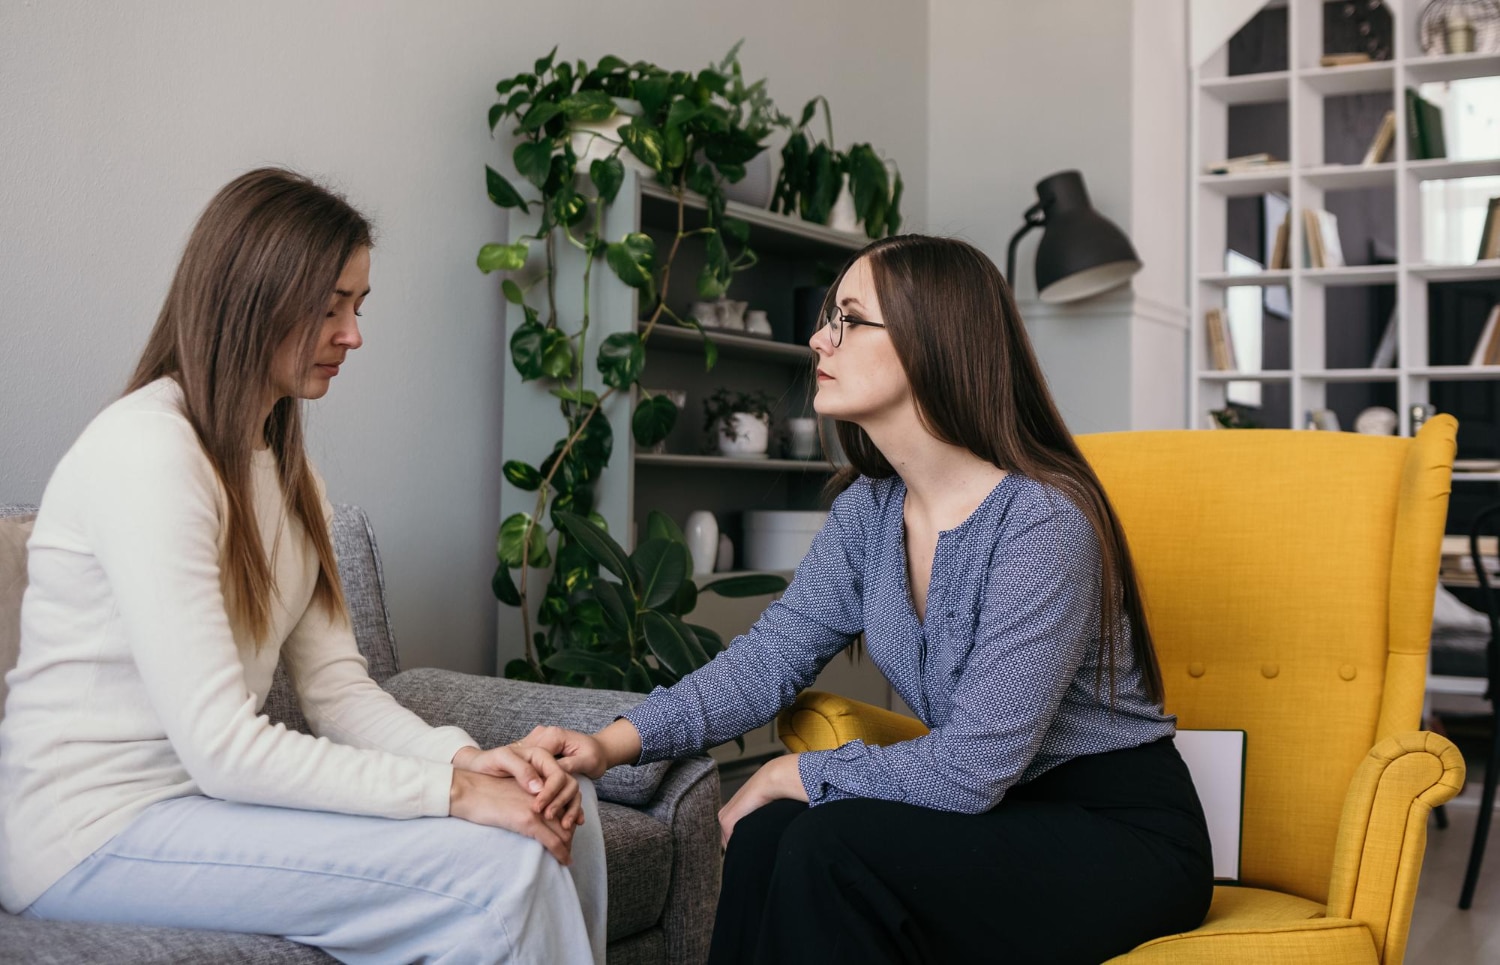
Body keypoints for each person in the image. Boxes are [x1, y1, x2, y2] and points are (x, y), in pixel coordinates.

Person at [520, 235, 1214, 964]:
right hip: (999, 813)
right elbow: (765, 662)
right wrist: (608, 742)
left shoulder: (1042, 522)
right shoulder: (869, 512)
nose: (821, 336)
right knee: (766, 833)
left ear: (930, 342)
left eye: (849, 317)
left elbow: (973, 765)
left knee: (829, 843)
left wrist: (798, 770)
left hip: (1118, 834)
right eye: (829, 315)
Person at [0, 168, 607, 965]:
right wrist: (452, 794)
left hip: (197, 808)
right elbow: (223, 745)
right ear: (253, 300)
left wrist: (467, 757)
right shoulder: (146, 452)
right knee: (501, 868)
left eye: (358, 306)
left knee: (569, 812)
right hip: (91, 830)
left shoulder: (287, 471)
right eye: (330, 308)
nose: (353, 334)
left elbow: (338, 692)